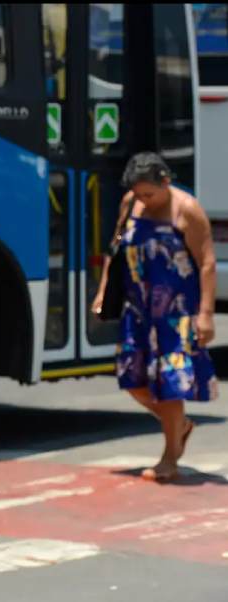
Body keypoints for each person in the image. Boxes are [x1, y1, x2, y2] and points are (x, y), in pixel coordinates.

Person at [92, 152, 218, 481]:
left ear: (166, 181)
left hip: (176, 314)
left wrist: (206, 314)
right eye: (138, 194)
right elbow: (115, 247)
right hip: (139, 310)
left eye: (149, 194)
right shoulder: (129, 204)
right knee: (133, 382)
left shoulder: (186, 210)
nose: (143, 200)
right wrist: (104, 290)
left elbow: (206, 262)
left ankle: (169, 458)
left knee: (169, 386)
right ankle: (180, 427)